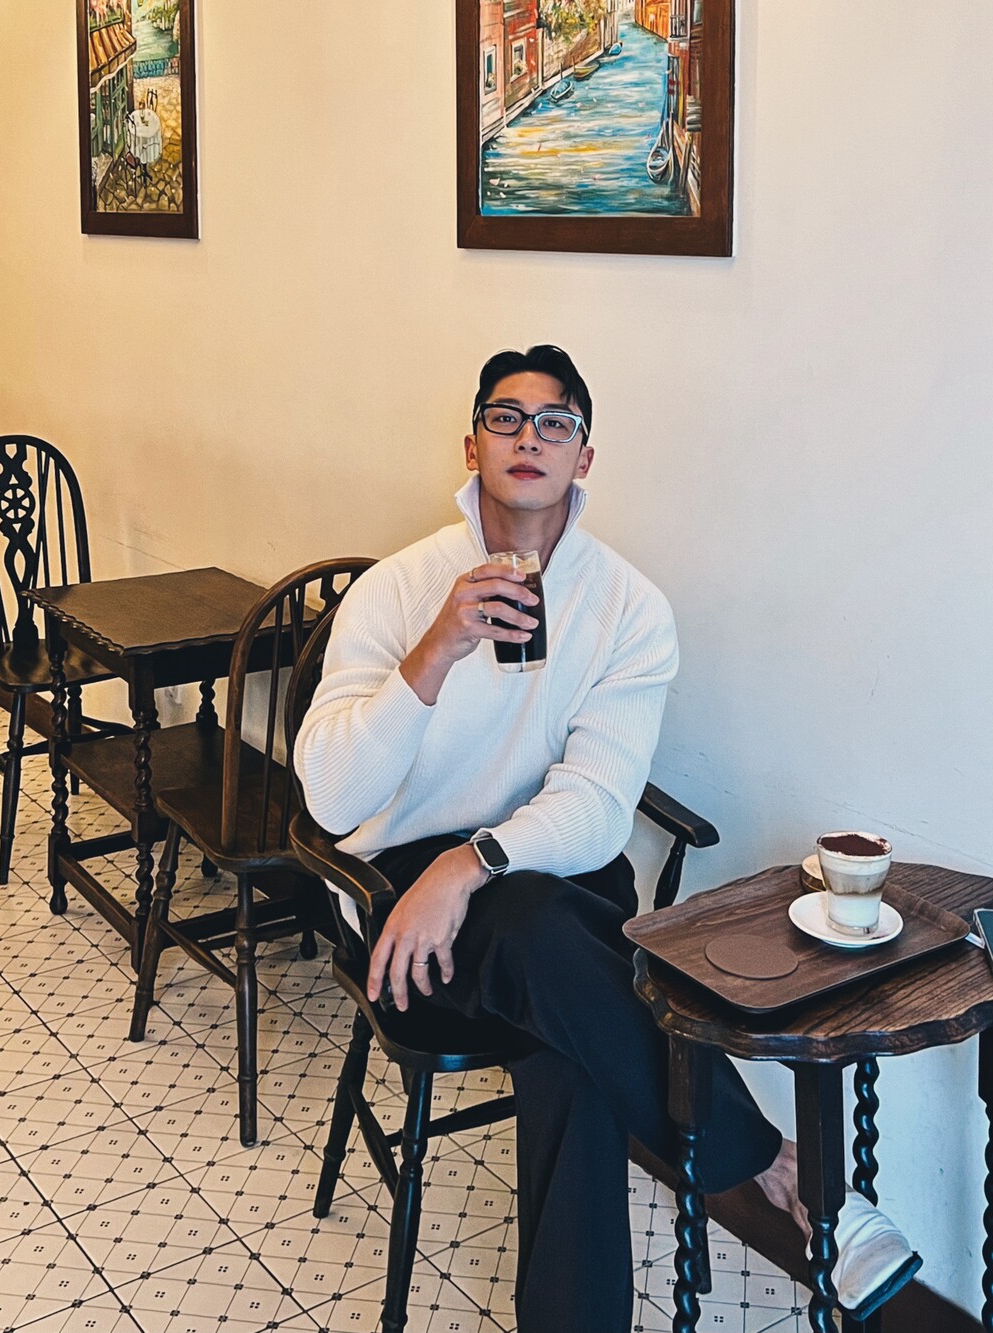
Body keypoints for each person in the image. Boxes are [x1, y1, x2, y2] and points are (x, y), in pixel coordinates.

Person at [294, 345, 920, 1332]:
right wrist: (438, 649)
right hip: (406, 902)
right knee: (571, 1004)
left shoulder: (628, 605)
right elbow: (333, 799)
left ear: (583, 456)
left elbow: (594, 803)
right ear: (471, 446)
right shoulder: (397, 590)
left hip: (547, 879)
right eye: (505, 418)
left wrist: (472, 863)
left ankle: (760, 1173)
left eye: (556, 423)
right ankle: (781, 1169)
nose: (529, 438)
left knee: (555, 966)